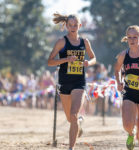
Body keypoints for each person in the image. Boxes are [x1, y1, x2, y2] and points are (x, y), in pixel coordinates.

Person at [48, 13, 96, 150]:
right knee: (71, 119)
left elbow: (93, 58)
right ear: (66, 26)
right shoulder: (61, 42)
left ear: (80, 26)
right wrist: (65, 60)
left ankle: (71, 148)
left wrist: (88, 62)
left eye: (76, 25)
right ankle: (78, 123)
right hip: (64, 83)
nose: (73, 27)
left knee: (74, 114)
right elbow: (50, 61)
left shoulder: (84, 42)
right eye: (70, 25)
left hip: (79, 82)